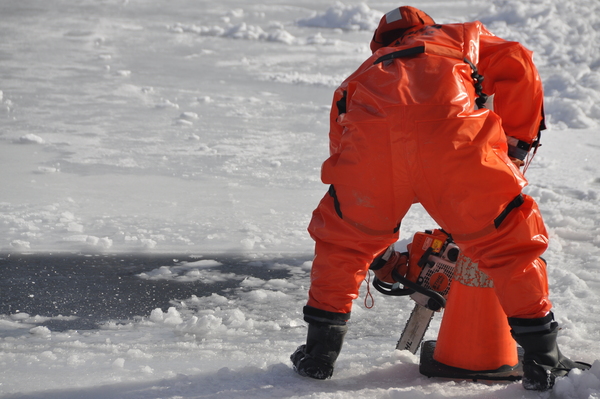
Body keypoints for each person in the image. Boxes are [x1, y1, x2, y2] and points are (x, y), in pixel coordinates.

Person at [290, 6, 590, 391]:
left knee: (342, 245)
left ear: (381, 44)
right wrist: (516, 145)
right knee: (507, 245)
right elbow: (517, 62)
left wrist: (369, 232)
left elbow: (340, 146)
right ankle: (543, 359)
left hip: (373, 154)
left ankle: (319, 355)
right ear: (425, 28)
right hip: (455, 145)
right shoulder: (456, 37)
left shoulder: (359, 77)